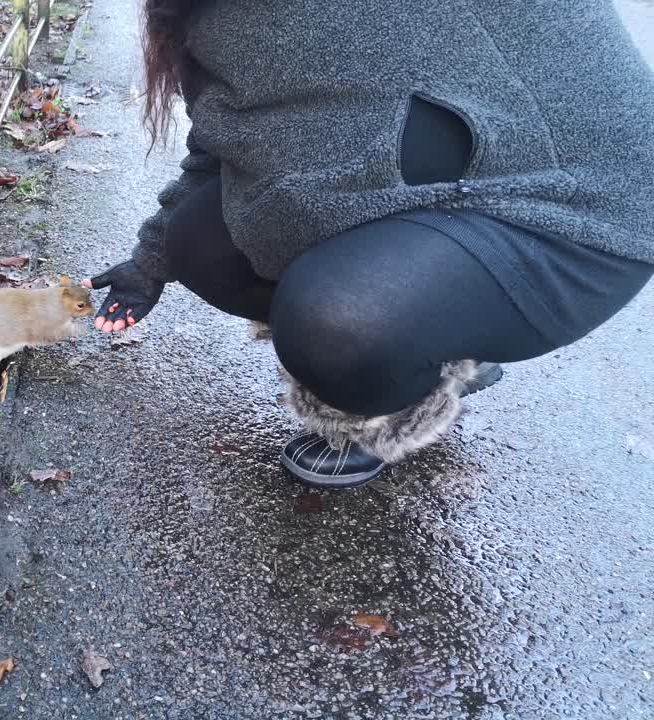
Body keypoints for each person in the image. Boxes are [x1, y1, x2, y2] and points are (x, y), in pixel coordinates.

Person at [84, 0, 654, 488]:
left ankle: (393, 391)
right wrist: (149, 260)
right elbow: (222, 145)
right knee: (200, 241)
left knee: (343, 318)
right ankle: (434, 337)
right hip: (434, 182)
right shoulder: (206, 16)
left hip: (571, 207)